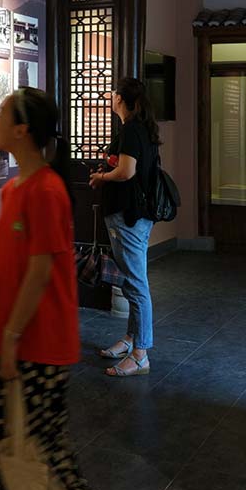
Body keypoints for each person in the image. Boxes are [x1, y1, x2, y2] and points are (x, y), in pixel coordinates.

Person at [0, 87, 99, 490]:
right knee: (0, 451)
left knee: (42, 454)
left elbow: (41, 273)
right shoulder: (14, 189)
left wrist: (11, 337)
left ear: (22, 130)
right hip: (7, 339)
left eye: (2, 113)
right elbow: (18, 263)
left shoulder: (47, 190)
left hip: (35, 344)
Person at [89, 77, 160, 377]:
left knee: (135, 283)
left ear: (120, 99)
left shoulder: (131, 129)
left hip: (129, 216)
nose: (110, 96)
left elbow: (127, 172)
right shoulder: (141, 128)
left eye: (113, 93)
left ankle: (141, 353)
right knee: (133, 280)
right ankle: (131, 339)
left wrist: (101, 177)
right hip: (135, 215)